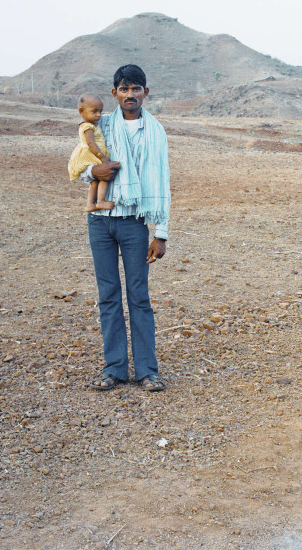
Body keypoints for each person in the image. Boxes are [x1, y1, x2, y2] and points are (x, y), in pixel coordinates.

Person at [80, 64, 170, 392]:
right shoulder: (100, 126)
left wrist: (160, 233)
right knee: (108, 296)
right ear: (114, 92)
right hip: (101, 224)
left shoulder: (156, 131)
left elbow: (162, 180)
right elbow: (77, 166)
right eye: (123, 89)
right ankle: (114, 369)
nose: (129, 94)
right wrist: (95, 172)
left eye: (135, 88)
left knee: (139, 297)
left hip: (134, 225)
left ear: (146, 92)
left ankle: (147, 371)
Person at [68, 94, 115, 212]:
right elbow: (91, 144)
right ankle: (100, 201)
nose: (99, 115)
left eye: (100, 111)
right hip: (92, 155)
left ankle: (90, 204)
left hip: (92, 154)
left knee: (94, 182)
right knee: (104, 176)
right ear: (81, 111)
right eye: (94, 111)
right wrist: (103, 157)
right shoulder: (87, 127)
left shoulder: (91, 124)